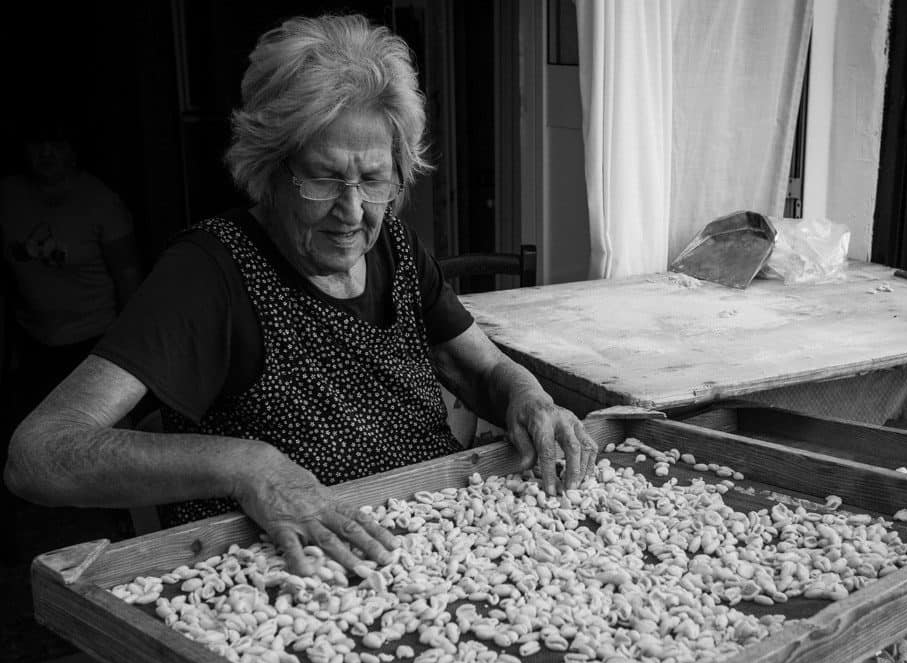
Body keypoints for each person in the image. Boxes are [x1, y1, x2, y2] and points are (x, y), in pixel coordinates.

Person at [4, 14, 598, 576]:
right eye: (322, 177)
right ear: (270, 169)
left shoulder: (391, 240)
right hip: (295, 572)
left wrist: (528, 398)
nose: (351, 211)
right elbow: (38, 455)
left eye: (373, 179)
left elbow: (481, 369)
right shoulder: (211, 272)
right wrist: (244, 464)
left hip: (441, 536)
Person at [0, 116, 144, 448]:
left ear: (74, 151)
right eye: (37, 145)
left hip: (94, 339)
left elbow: (127, 273)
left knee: (105, 440)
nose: (47, 153)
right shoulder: (7, 195)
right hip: (35, 339)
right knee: (42, 441)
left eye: (58, 144)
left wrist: (129, 346)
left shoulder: (100, 201)